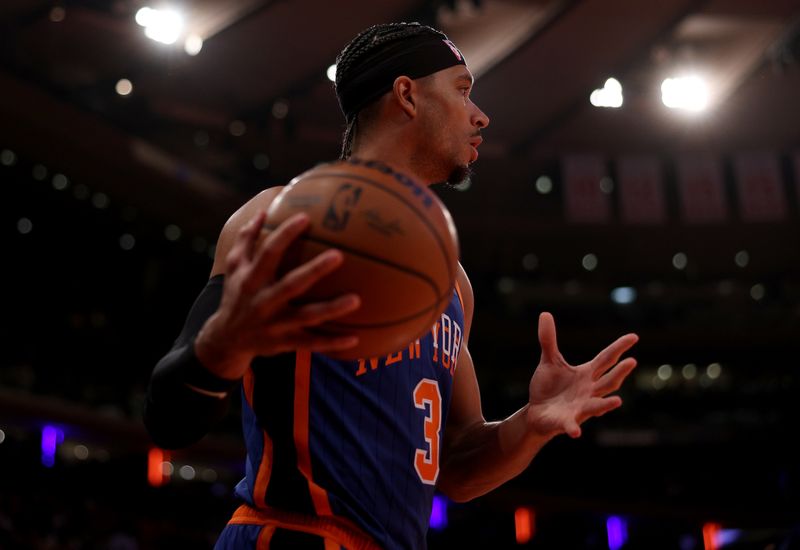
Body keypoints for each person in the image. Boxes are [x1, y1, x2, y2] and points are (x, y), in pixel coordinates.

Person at [144, 22, 639, 550]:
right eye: (462, 90)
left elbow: (457, 466)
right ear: (407, 95)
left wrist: (531, 426)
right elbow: (169, 420)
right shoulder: (281, 219)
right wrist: (222, 347)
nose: (481, 116)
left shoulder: (452, 281)